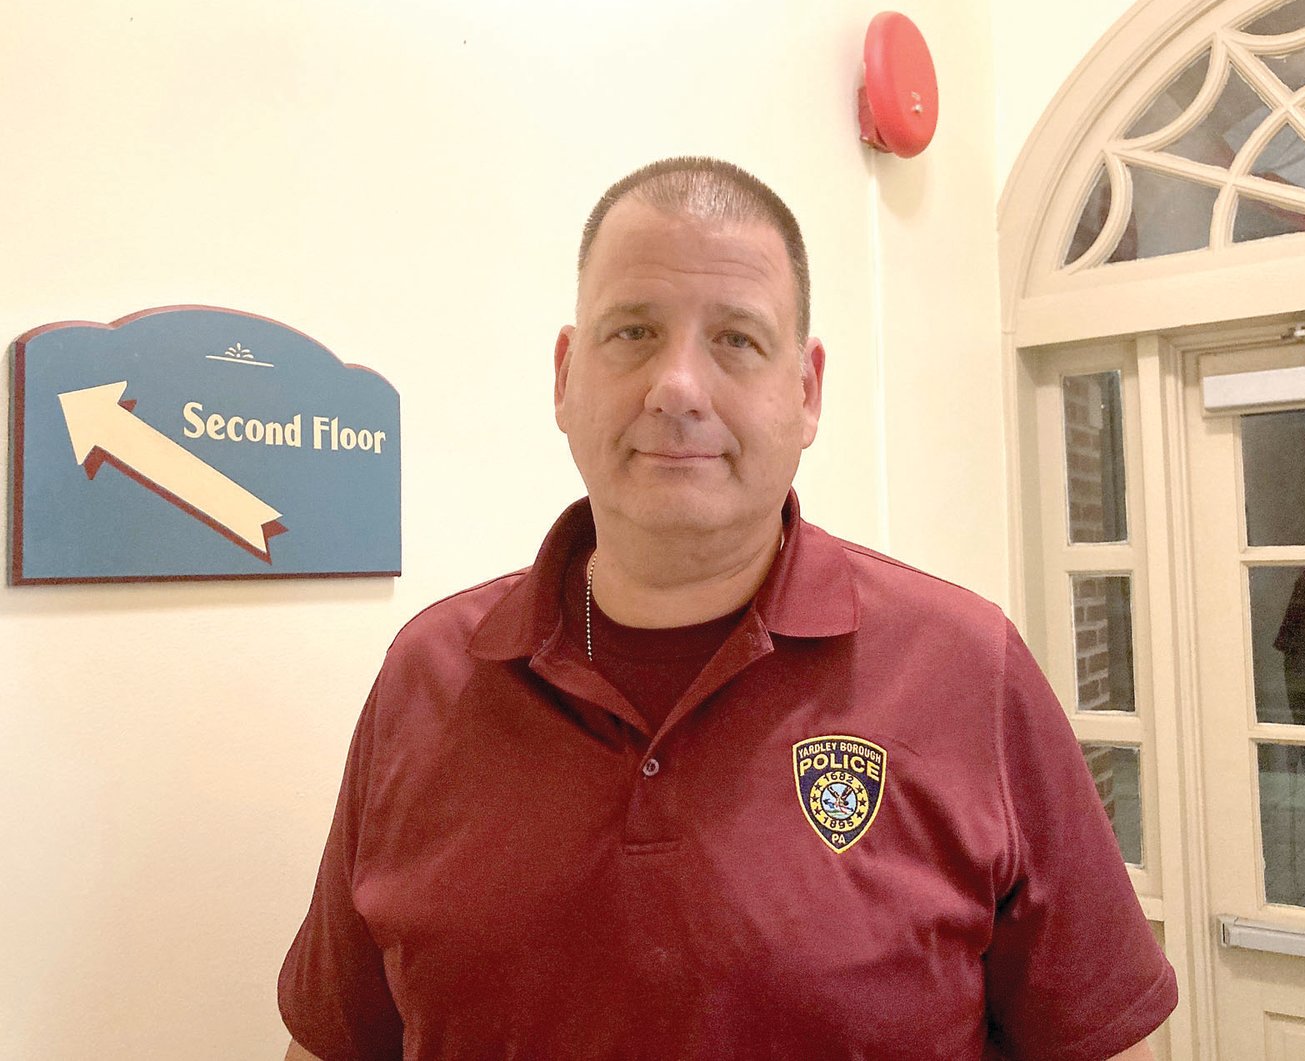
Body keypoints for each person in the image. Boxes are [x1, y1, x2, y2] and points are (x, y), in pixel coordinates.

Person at [279, 157, 1177, 1060]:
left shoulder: (966, 667)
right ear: (564, 375)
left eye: (737, 340)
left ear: (807, 390)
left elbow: (1101, 1039)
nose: (677, 387)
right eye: (632, 332)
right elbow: (334, 1040)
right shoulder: (430, 672)